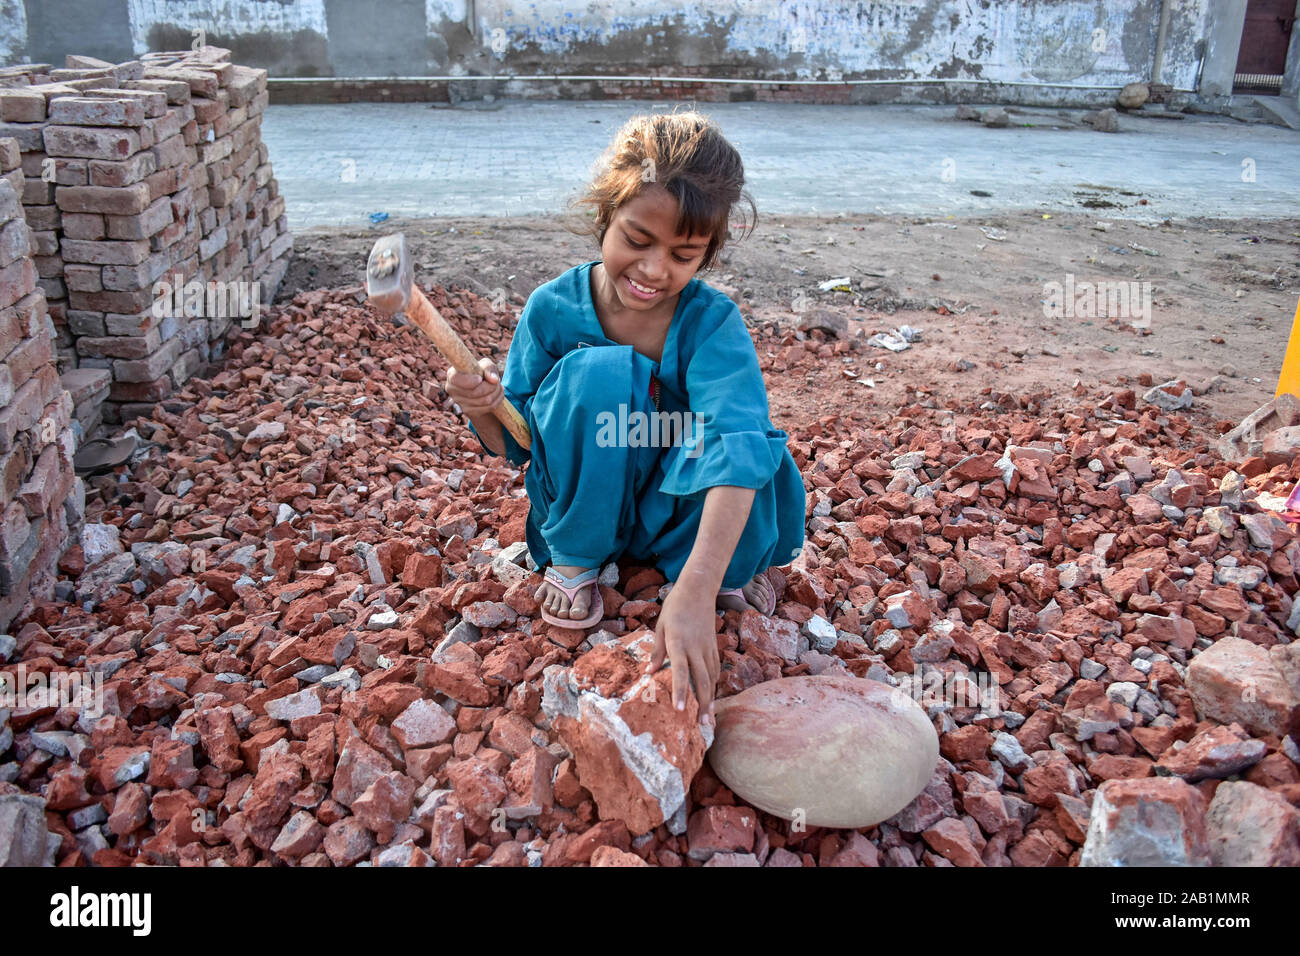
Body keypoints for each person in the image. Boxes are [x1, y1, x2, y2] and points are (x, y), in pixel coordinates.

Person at [445, 110, 806, 715]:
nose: (654, 270)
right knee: (601, 374)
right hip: (591, 498)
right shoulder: (552, 311)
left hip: (674, 504)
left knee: (753, 456)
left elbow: (736, 446)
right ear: (604, 216)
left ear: (706, 257)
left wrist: (695, 586)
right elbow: (520, 443)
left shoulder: (711, 324)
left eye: (683, 255)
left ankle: (703, 566)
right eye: (637, 240)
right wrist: (482, 408)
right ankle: (580, 556)